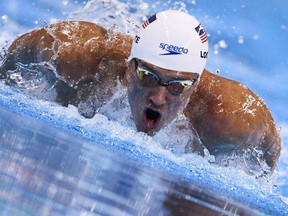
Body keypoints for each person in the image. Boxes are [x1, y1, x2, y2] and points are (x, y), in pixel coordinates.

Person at [0, 10, 281, 175]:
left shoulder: (230, 117)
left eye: (177, 87)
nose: (158, 98)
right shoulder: (75, 57)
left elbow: (270, 151)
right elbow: (13, 56)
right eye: (147, 76)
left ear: (193, 88)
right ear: (128, 68)